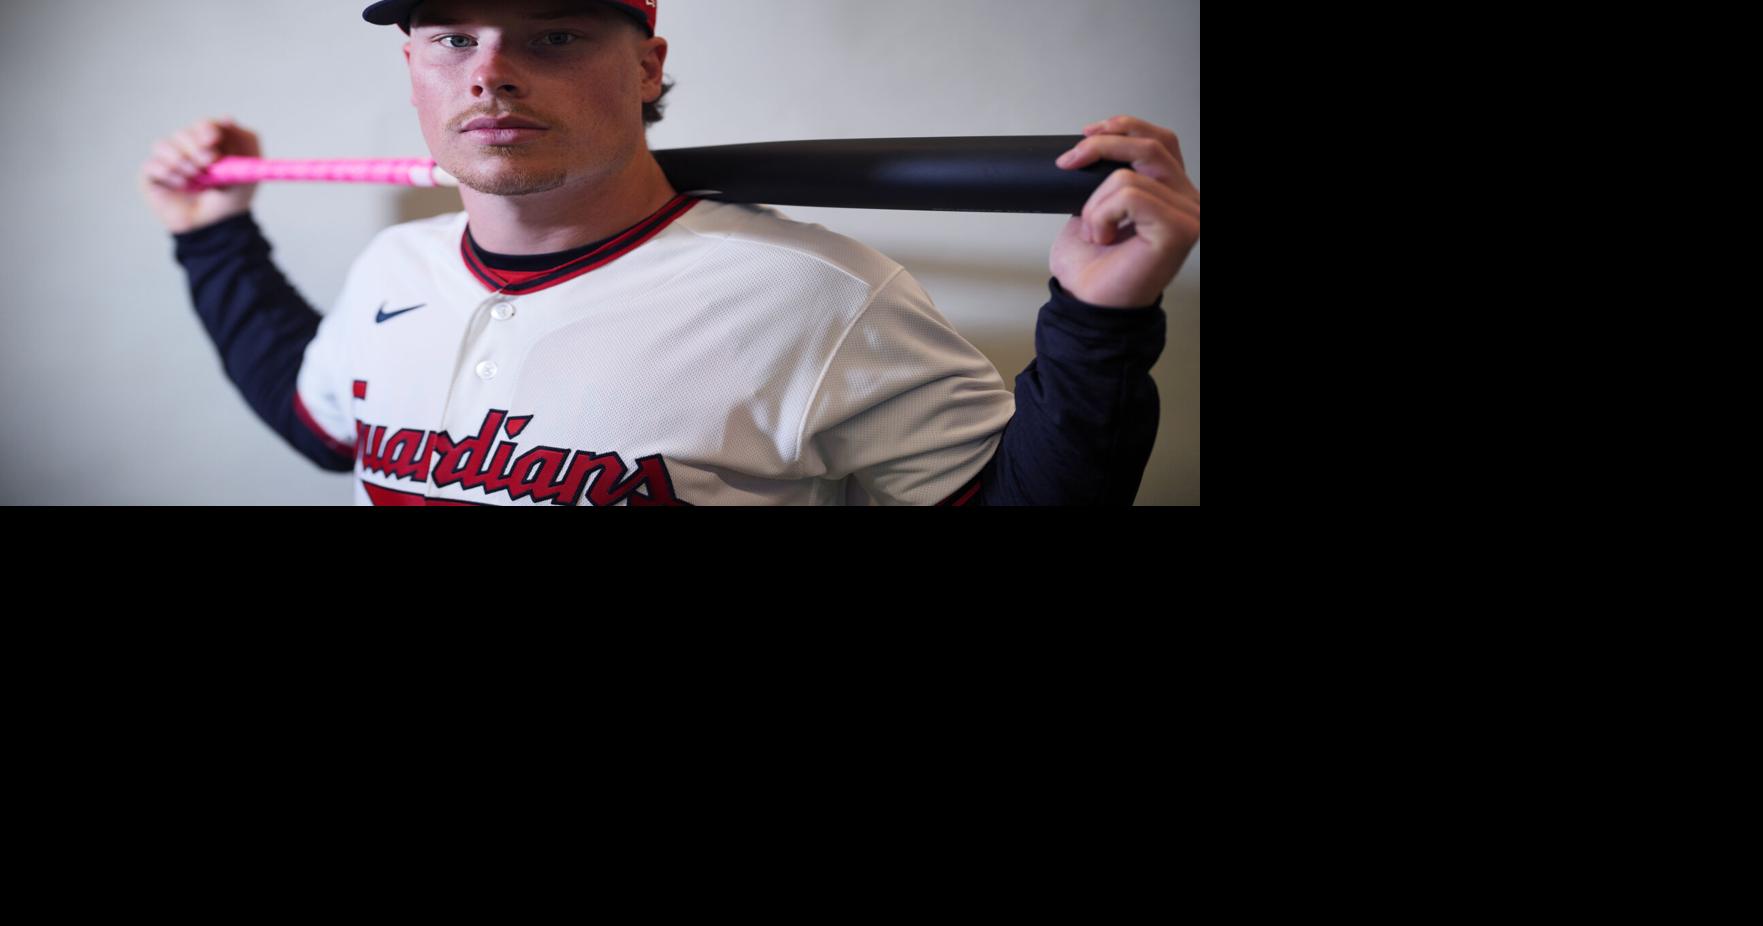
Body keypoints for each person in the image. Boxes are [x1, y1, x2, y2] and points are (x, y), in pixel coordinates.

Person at [137, 0, 1200, 506]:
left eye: (553, 34)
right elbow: (321, 427)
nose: (489, 73)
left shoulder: (819, 295)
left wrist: (1097, 321)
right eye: (453, 37)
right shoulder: (394, 268)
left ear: (646, 67)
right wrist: (210, 235)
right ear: (412, 63)